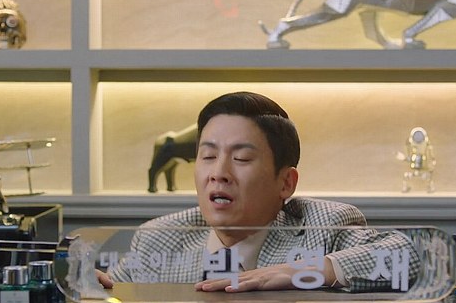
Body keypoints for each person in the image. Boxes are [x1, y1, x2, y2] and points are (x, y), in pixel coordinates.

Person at [100, 91, 419, 292]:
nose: (218, 173)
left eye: (241, 159)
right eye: (208, 157)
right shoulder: (161, 237)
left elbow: (412, 255)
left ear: (286, 183)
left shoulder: (322, 226)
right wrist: (93, 290)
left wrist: (301, 271)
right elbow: (111, 291)